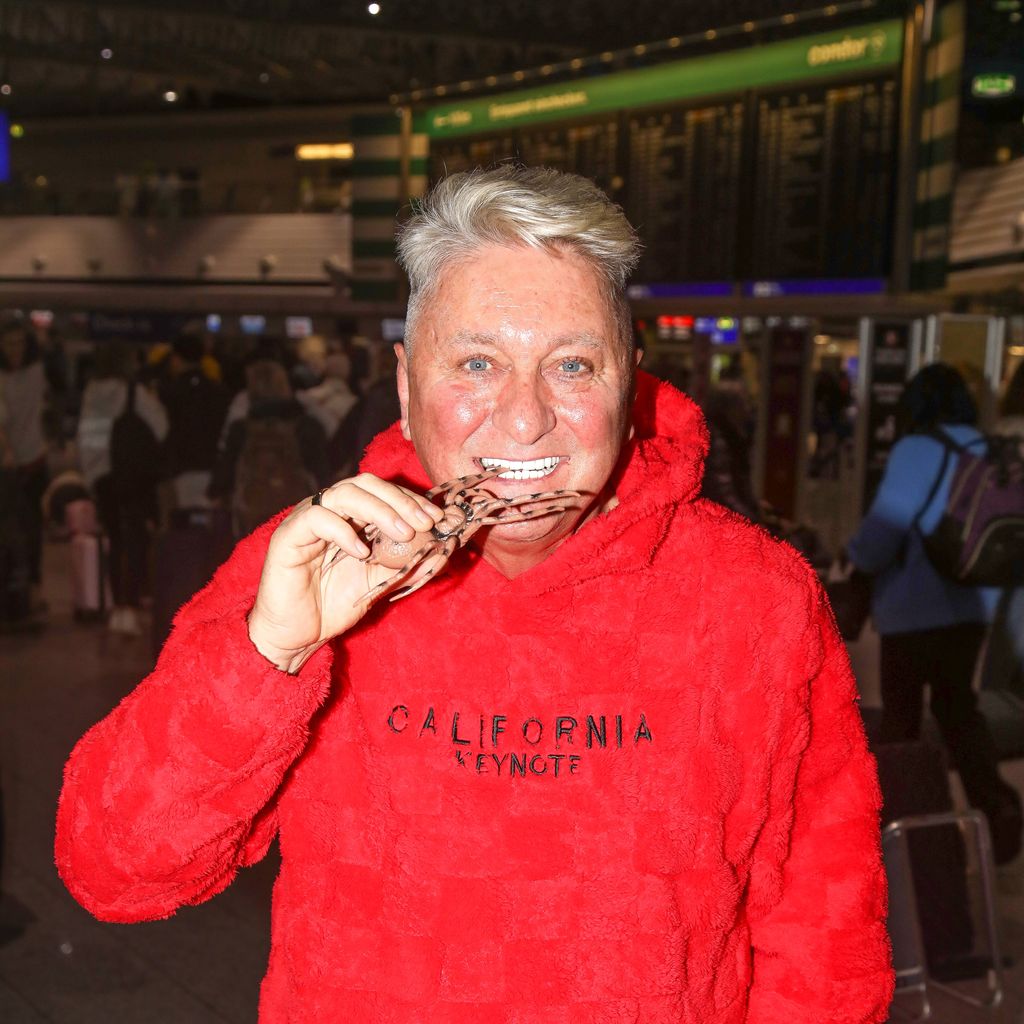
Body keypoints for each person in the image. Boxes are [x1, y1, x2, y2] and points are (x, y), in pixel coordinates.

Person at [56, 166, 892, 1023]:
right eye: (477, 363)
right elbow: (116, 871)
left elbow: (822, 931)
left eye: (572, 364)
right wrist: (270, 656)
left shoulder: (757, 598)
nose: (525, 418)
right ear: (405, 384)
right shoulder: (306, 570)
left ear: (629, 380)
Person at [847, 362, 1022, 863]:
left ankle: (903, 830)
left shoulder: (918, 448)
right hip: (971, 606)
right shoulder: (987, 448)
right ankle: (996, 808)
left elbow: (886, 529)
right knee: (957, 710)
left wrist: (856, 560)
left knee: (902, 719)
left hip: (913, 610)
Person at [76, 340, 168, 635]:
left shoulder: (90, 396)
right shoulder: (135, 393)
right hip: (132, 476)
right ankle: (134, 604)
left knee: (115, 541)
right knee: (137, 539)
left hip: (103, 478)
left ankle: (118, 607)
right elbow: (161, 427)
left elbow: (85, 440)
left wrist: (92, 476)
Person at [0, 313, 49, 615]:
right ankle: (12, 593)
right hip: (7, 464)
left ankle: (32, 589)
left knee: (32, 529)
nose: (14, 350)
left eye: (19, 343)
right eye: (8, 344)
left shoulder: (38, 371)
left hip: (33, 460)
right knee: (9, 531)